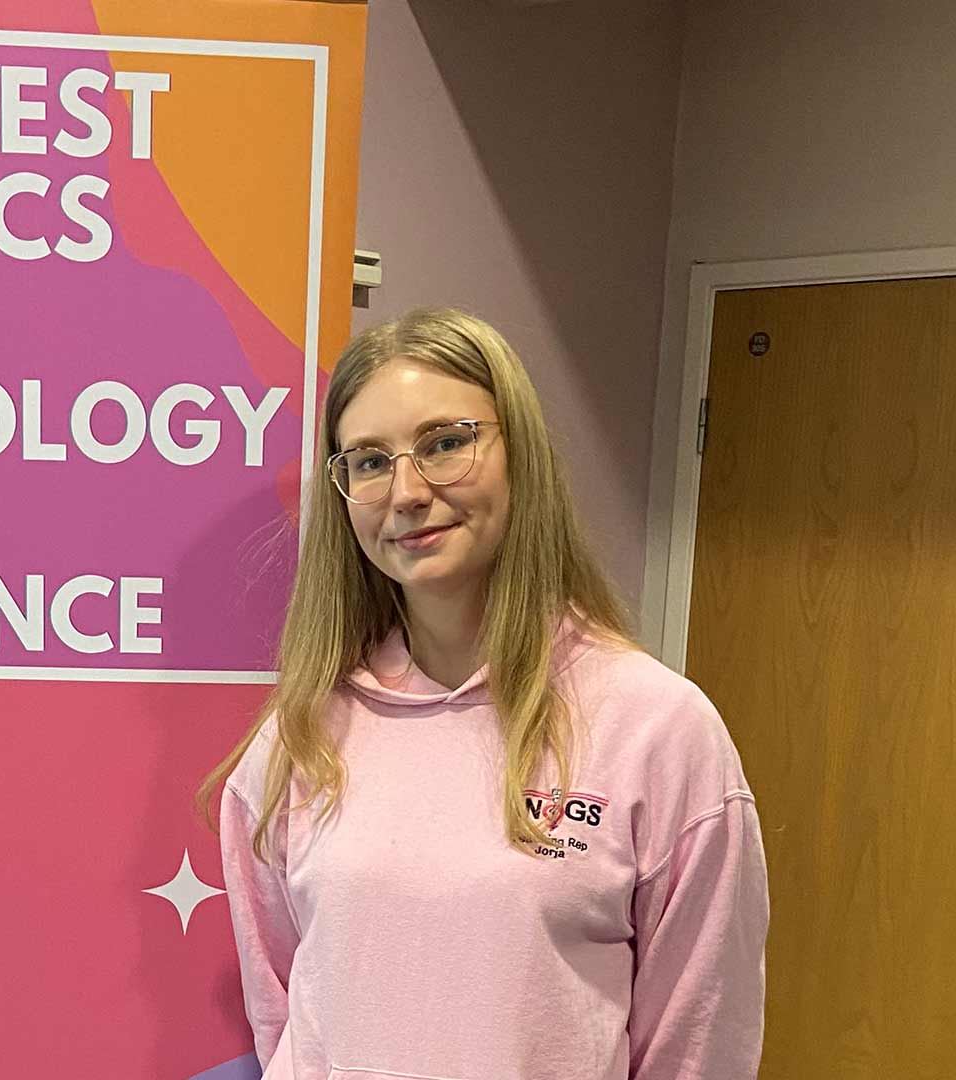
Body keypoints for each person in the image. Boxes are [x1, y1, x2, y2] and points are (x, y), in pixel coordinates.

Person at [198, 307, 768, 1079]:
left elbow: (698, 1042)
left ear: (519, 454)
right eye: (368, 461)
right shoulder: (300, 734)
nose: (406, 491)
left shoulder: (656, 729)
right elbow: (282, 1010)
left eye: (445, 444)